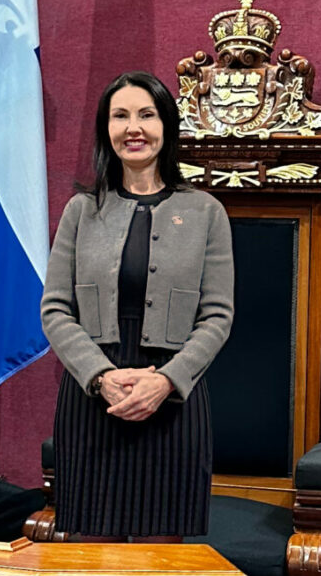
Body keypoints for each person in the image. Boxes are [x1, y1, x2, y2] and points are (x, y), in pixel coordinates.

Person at [40, 71, 234, 541]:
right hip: (93, 401)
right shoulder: (81, 211)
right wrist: (102, 378)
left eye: (146, 115)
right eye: (120, 115)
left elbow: (217, 317)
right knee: (88, 564)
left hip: (172, 402)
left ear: (166, 125)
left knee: (158, 569)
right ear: (106, 130)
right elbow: (55, 310)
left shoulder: (206, 212)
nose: (134, 128)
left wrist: (165, 380)